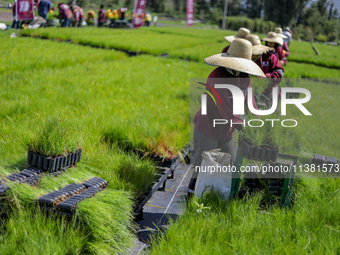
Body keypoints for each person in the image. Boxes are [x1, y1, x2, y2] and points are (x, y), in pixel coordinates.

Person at [189, 39, 265, 192]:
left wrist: (257, 124)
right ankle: (192, 194)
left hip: (226, 130)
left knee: (232, 160)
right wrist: (243, 127)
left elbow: (250, 102)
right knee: (202, 164)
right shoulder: (216, 77)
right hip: (208, 127)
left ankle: (220, 193)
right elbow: (225, 110)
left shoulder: (245, 78)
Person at [246, 34, 284, 105]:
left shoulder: (270, 57)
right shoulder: (242, 59)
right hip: (248, 92)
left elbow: (280, 73)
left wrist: (267, 77)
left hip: (269, 92)